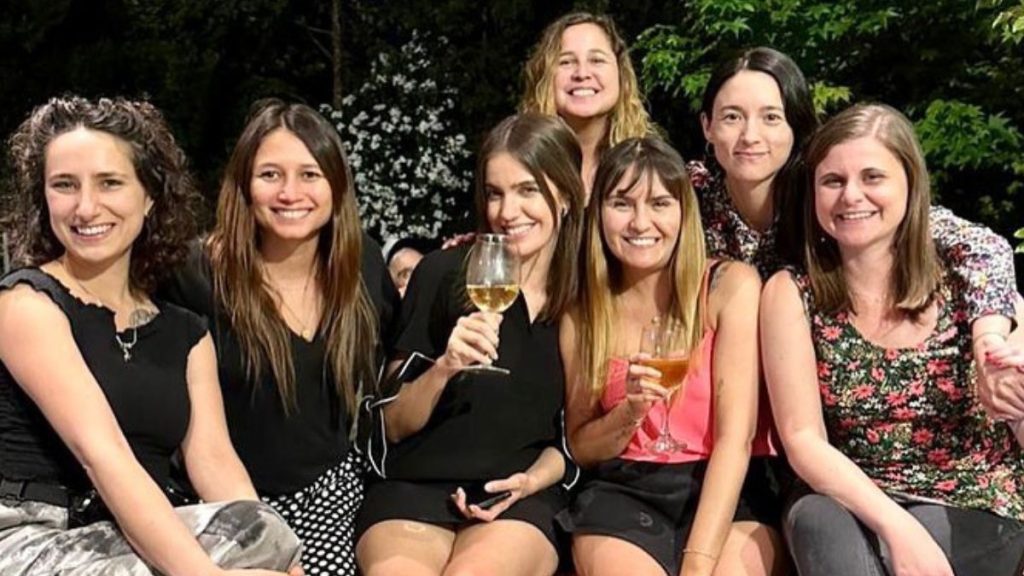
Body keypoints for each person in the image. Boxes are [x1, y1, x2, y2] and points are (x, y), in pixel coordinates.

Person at [0, 96, 300, 575]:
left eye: (110, 183)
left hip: (133, 540)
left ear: (149, 196)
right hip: (32, 538)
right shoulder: (25, 305)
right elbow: (103, 457)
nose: (85, 207)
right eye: (64, 185)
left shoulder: (187, 334)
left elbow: (219, 468)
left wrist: (286, 562)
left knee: (261, 527)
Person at [761, 103, 1024, 576]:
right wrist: (897, 527)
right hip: (851, 495)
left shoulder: (973, 285)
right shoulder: (792, 292)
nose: (851, 195)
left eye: (873, 177)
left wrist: (1013, 398)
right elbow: (802, 438)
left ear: (910, 184)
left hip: (969, 496)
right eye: (833, 181)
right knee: (818, 523)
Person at [161, 99, 398, 576]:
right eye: (270, 175)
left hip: (330, 496)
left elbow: (396, 371)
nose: (290, 193)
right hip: (220, 502)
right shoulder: (194, 274)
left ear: (336, 184)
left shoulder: (363, 265)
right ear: (244, 185)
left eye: (309, 174)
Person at [355, 113, 585, 576]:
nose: (507, 211)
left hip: (517, 495)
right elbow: (390, 425)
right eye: (495, 193)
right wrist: (444, 367)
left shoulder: (584, 299)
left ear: (564, 194)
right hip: (414, 488)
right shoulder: (442, 274)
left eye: (527, 190)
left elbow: (575, 441)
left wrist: (530, 481)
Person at [559, 137, 784, 576]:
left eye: (660, 203)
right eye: (622, 204)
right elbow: (582, 447)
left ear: (683, 212)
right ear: (598, 213)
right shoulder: (583, 313)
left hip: (729, 488)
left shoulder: (729, 287)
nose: (641, 222)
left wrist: (697, 565)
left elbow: (735, 439)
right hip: (626, 491)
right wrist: (629, 413)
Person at [520, 11, 657, 196]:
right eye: (566, 62)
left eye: (597, 60)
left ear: (621, 74)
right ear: (544, 77)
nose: (582, 73)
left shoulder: (652, 166)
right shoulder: (520, 163)